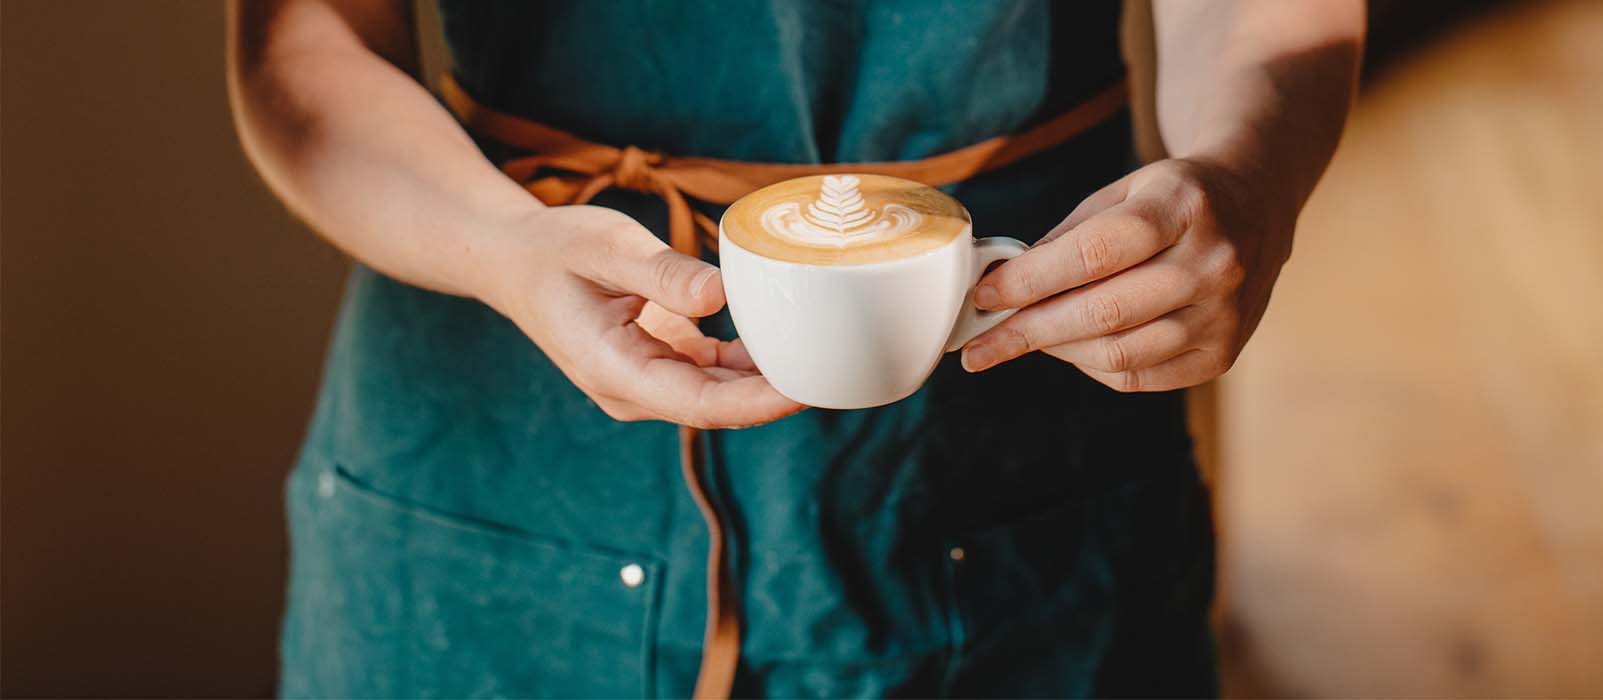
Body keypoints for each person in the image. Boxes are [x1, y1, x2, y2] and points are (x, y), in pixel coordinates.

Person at [228, 0, 1361, 696]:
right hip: (498, 414)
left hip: (1016, 410)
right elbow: (302, 41)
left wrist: (1246, 174)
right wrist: (504, 248)